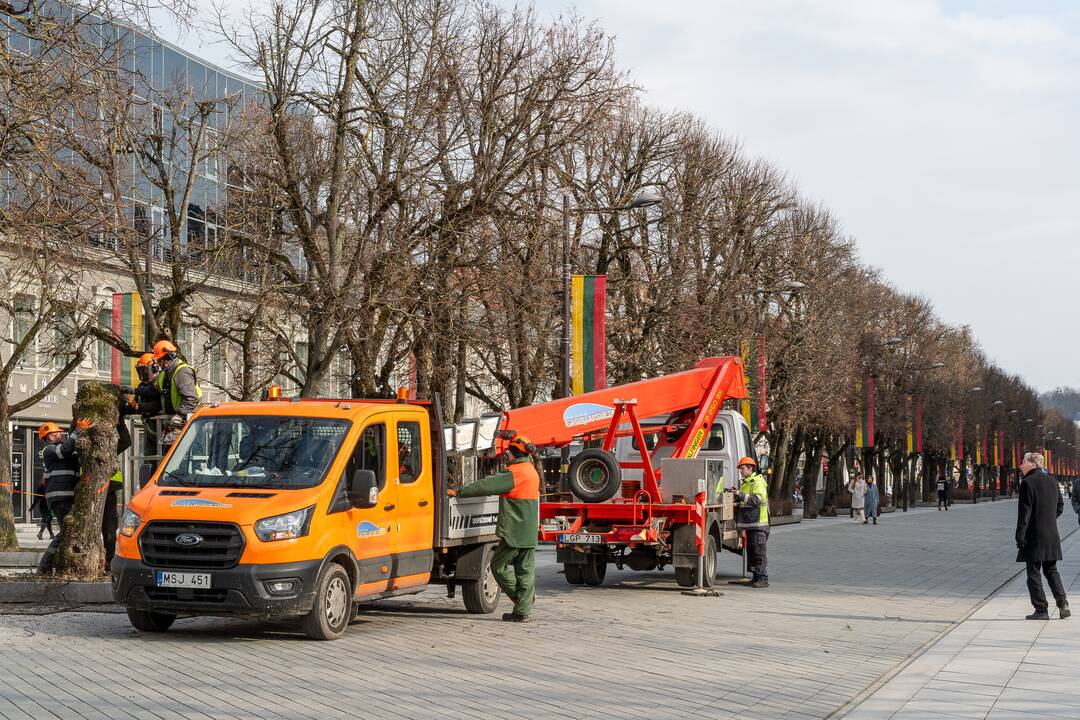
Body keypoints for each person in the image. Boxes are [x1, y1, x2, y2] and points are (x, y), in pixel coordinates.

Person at [452, 431, 540, 622]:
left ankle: (520, 597)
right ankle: (523, 610)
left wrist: (460, 491)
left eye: (508, 452)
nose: (505, 455)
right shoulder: (531, 471)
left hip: (514, 531)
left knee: (497, 565)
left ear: (515, 453)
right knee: (525, 570)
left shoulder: (515, 473)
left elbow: (486, 485)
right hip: (528, 530)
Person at [1016, 452, 1069, 620]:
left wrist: (1020, 536)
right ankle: (1063, 604)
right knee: (1051, 570)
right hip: (1051, 534)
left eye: (1023, 462)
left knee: (1033, 572)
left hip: (1033, 536)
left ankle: (1041, 609)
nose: (1021, 465)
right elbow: (1060, 507)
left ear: (1032, 463)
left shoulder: (1027, 483)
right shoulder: (1053, 481)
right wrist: (1047, 520)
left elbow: (1025, 513)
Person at [37, 420, 88, 573]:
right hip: (60, 498)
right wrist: (77, 431)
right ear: (50, 436)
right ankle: (44, 566)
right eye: (57, 432)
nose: (60, 434)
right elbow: (66, 449)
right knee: (66, 531)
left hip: (66, 497)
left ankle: (51, 565)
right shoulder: (50, 450)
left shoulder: (61, 450)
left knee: (68, 531)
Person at [729, 456, 770, 588]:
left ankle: (763, 578)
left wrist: (740, 494)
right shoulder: (747, 482)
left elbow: (757, 500)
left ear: (750, 468)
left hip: (758, 524)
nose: (740, 471)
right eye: (740, 469)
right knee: (752, 552)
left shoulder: (757, 482)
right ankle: (756, 577)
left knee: (758, 552)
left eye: (742, 468)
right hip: (751, 524)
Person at [152, 339, 203, 446]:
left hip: (188, 421)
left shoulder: (182, 372)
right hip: (176, 421)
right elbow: (159, 388)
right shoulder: (165, 373)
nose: (158, 364)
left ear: (167, 358)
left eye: (159, 360)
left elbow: (192, 398)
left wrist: (180, 415)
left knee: (187, 455)